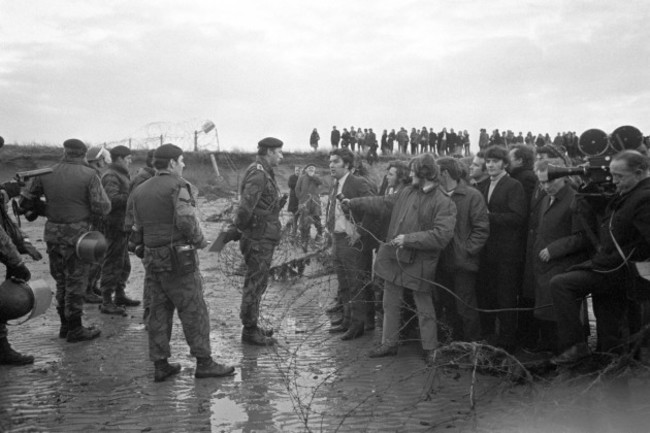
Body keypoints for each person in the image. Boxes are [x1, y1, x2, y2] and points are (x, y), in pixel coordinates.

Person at [129, 143, 235, 381]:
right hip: (179, 259)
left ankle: (160, 364)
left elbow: (135, 227)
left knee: (157, 311)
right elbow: (185, 218)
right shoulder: (179, 186)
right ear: (173, 163)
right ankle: (204, 362)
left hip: (151, 258)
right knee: (193, 309)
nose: (184, 164)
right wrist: (200, 240)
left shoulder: (139, 190)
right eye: (182, 160)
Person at [345, 154, 456, 362]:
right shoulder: (407, 192)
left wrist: (409, 239)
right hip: (394, 256)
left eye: (414, 170)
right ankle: (389, 344)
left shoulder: (444, 202)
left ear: (424, 172)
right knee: (389, 302)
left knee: (424, 305)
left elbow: (442, 235)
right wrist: (353, 203)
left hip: (420, 260)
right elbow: (383, 202)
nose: (410, 174)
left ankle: (430, 349)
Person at [550, 150, 650, 364]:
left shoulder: (644, 197)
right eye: (612, 175)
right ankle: (613, 373)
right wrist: (589, 183)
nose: (614, 181)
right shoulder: (629, 192)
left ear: (639, 173)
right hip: (611, 269)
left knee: (561, 284)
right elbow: (605, 208)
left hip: (619, 271)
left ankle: (576, 346)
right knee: (609, 329)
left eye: (619, 176)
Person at [21, 138, 111, 342]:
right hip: (78, 237)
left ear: (65, 151)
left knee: (61, 281)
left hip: (53, 234)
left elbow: (26, 202)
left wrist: (49, 208)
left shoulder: (45, 172)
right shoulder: (90, 175)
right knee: (76, 281)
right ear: (82, 153)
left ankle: (65, 325)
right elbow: (103, 207)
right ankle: (76, 328)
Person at [525, 159, 591, 353]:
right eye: (542, 182)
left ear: (563, 178)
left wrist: (554, 249)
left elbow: (582, 237)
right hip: (544, 266)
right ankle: (550, 350)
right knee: (545, 310)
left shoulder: (575, 199)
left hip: (563, 266)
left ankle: (567, 353)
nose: (546, 187)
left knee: (561, 313)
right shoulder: (546, 199)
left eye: (549, 181)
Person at [233, 137, 286, 346]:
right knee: (254, 284)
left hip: (262, 235)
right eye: (279, 152)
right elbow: (246, 207)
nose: (281, 157)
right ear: (269, 152)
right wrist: (241, 228)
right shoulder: (258, 173)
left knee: (258, 282)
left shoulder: (264, 172)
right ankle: (249, 330)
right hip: (258, 237)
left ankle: (252, 325)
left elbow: (259, 204)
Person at [475, 145, 527, 351]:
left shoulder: (513, 185)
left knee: (506, 297)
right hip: (488, 251)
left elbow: (518, 217)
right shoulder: (485, 184)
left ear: (505, 164)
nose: (490, 165)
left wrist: (489, 217)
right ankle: (490, 337)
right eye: (488, 161)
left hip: (507, 252)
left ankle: (507, 341)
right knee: (488, 294)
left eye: (495, 161)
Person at [436, 157, 489, 342]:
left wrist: (466, 251)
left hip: (462, 263)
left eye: (436, 172)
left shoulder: (472, 196)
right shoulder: (437, 194)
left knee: (466, 306)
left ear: (444, 173)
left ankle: (473, 345)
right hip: (441, 261)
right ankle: (456, 344)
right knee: (448, 305)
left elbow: (481, 228)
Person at [325, 148, 375, 340]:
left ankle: (359, 324)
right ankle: (347, 319)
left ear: (347, 164)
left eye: (336, 161)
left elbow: (372, 207)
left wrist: (361, 232)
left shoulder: (358, 183)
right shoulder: (335, 184)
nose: (331, 165)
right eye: (330, 161)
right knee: (344, 282)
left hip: (353, 241)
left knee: (357, 283)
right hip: (337, 238)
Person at [100, 145, 139, 315]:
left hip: (122, 225)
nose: (130, 161)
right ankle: (106, 300)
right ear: (120, 158)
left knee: (123, 263)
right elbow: (111, 200)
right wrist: (133, 196)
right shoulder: (111, 176)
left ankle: (120, 294)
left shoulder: (121, 174)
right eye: (128, 158)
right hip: (114, 225)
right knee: (113, 262)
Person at [84, 146, 112, 304]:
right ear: (98, 160)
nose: (105, 162)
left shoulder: (92, 173)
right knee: (94, 255)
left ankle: (92, 285)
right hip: (94, 221)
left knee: (97, 254)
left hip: (94, 220)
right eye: (103, 159)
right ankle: (87, 289)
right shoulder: (92, 175)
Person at [295, 163, 323, 252]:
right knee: (304, 222)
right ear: (306, 170)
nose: (311, 169)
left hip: (315, 203)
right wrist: (301, 199)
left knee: (317, 220)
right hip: (304, 203)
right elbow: (297, 189)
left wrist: (313, 176)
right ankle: (304, 242)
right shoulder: (301, 177)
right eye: (309, 168)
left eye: (313, 168)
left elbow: (321, 183)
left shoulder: (317, 177)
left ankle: (319, 236)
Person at [287, 166, 301, 237]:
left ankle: (301, 234)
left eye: (298, 170)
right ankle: (293, 234)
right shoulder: (291, 177)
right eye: (296, 170)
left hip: (300, 200)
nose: (297, 172)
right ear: (294, 170)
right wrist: (298, 185)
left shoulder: (302, 177)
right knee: (294, 216)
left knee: (301, 217)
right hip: (293, 200)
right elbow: (290, 185)